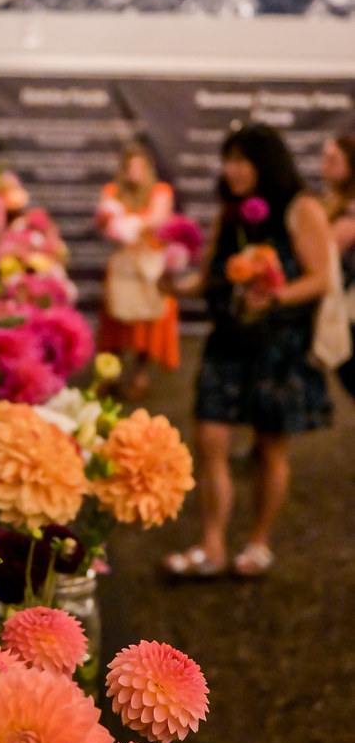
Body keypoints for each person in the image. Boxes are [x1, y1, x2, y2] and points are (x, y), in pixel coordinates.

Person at [163, 122, 332, 578]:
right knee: (209, 439)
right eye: (228, 160)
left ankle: (259, 542)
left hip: (279, 345)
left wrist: (275, 296)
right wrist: (173, 283)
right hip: (228, 339)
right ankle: (212, 545)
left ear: (266, 162)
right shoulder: (230, 212)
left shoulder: (302, 207)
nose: (231, 170)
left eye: (241, 160)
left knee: (269, 447)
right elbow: (209, 277)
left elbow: (320, 278)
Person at [95, 137, 179, 400]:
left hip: (149, 266)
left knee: (150, 322)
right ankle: (108, 374)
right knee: (116, 325)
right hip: (123, 270)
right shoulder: (112, 192)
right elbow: (104, 223)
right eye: (130, 168)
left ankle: (139, 375)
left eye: (140, 167)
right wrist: (111, 222)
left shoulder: (160, 191)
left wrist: (129, 224)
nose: (135, 173)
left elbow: (158, 220)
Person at [321, 132, 355, 398]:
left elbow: (324, 253)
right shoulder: (332, 202)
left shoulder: (350, 212)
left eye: (333, 159)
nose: (324, 165)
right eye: (324, 158)